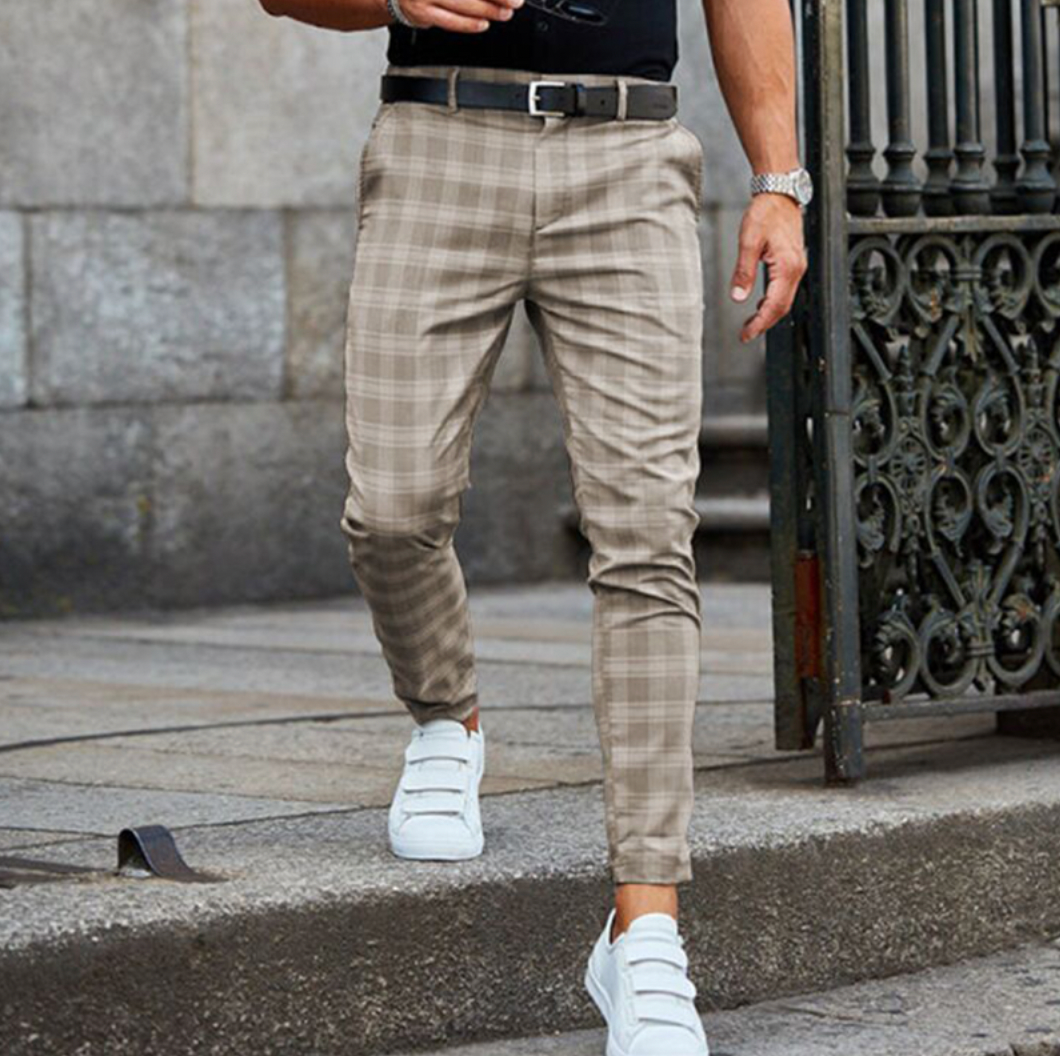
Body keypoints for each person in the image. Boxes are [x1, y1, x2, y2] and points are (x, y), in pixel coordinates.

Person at [258, 0, 808, 1051]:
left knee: (649, 540)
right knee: (391, 509)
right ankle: (445, 716)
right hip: (437, 141)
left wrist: (777, 181)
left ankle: (643, 933)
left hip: (629, 154)